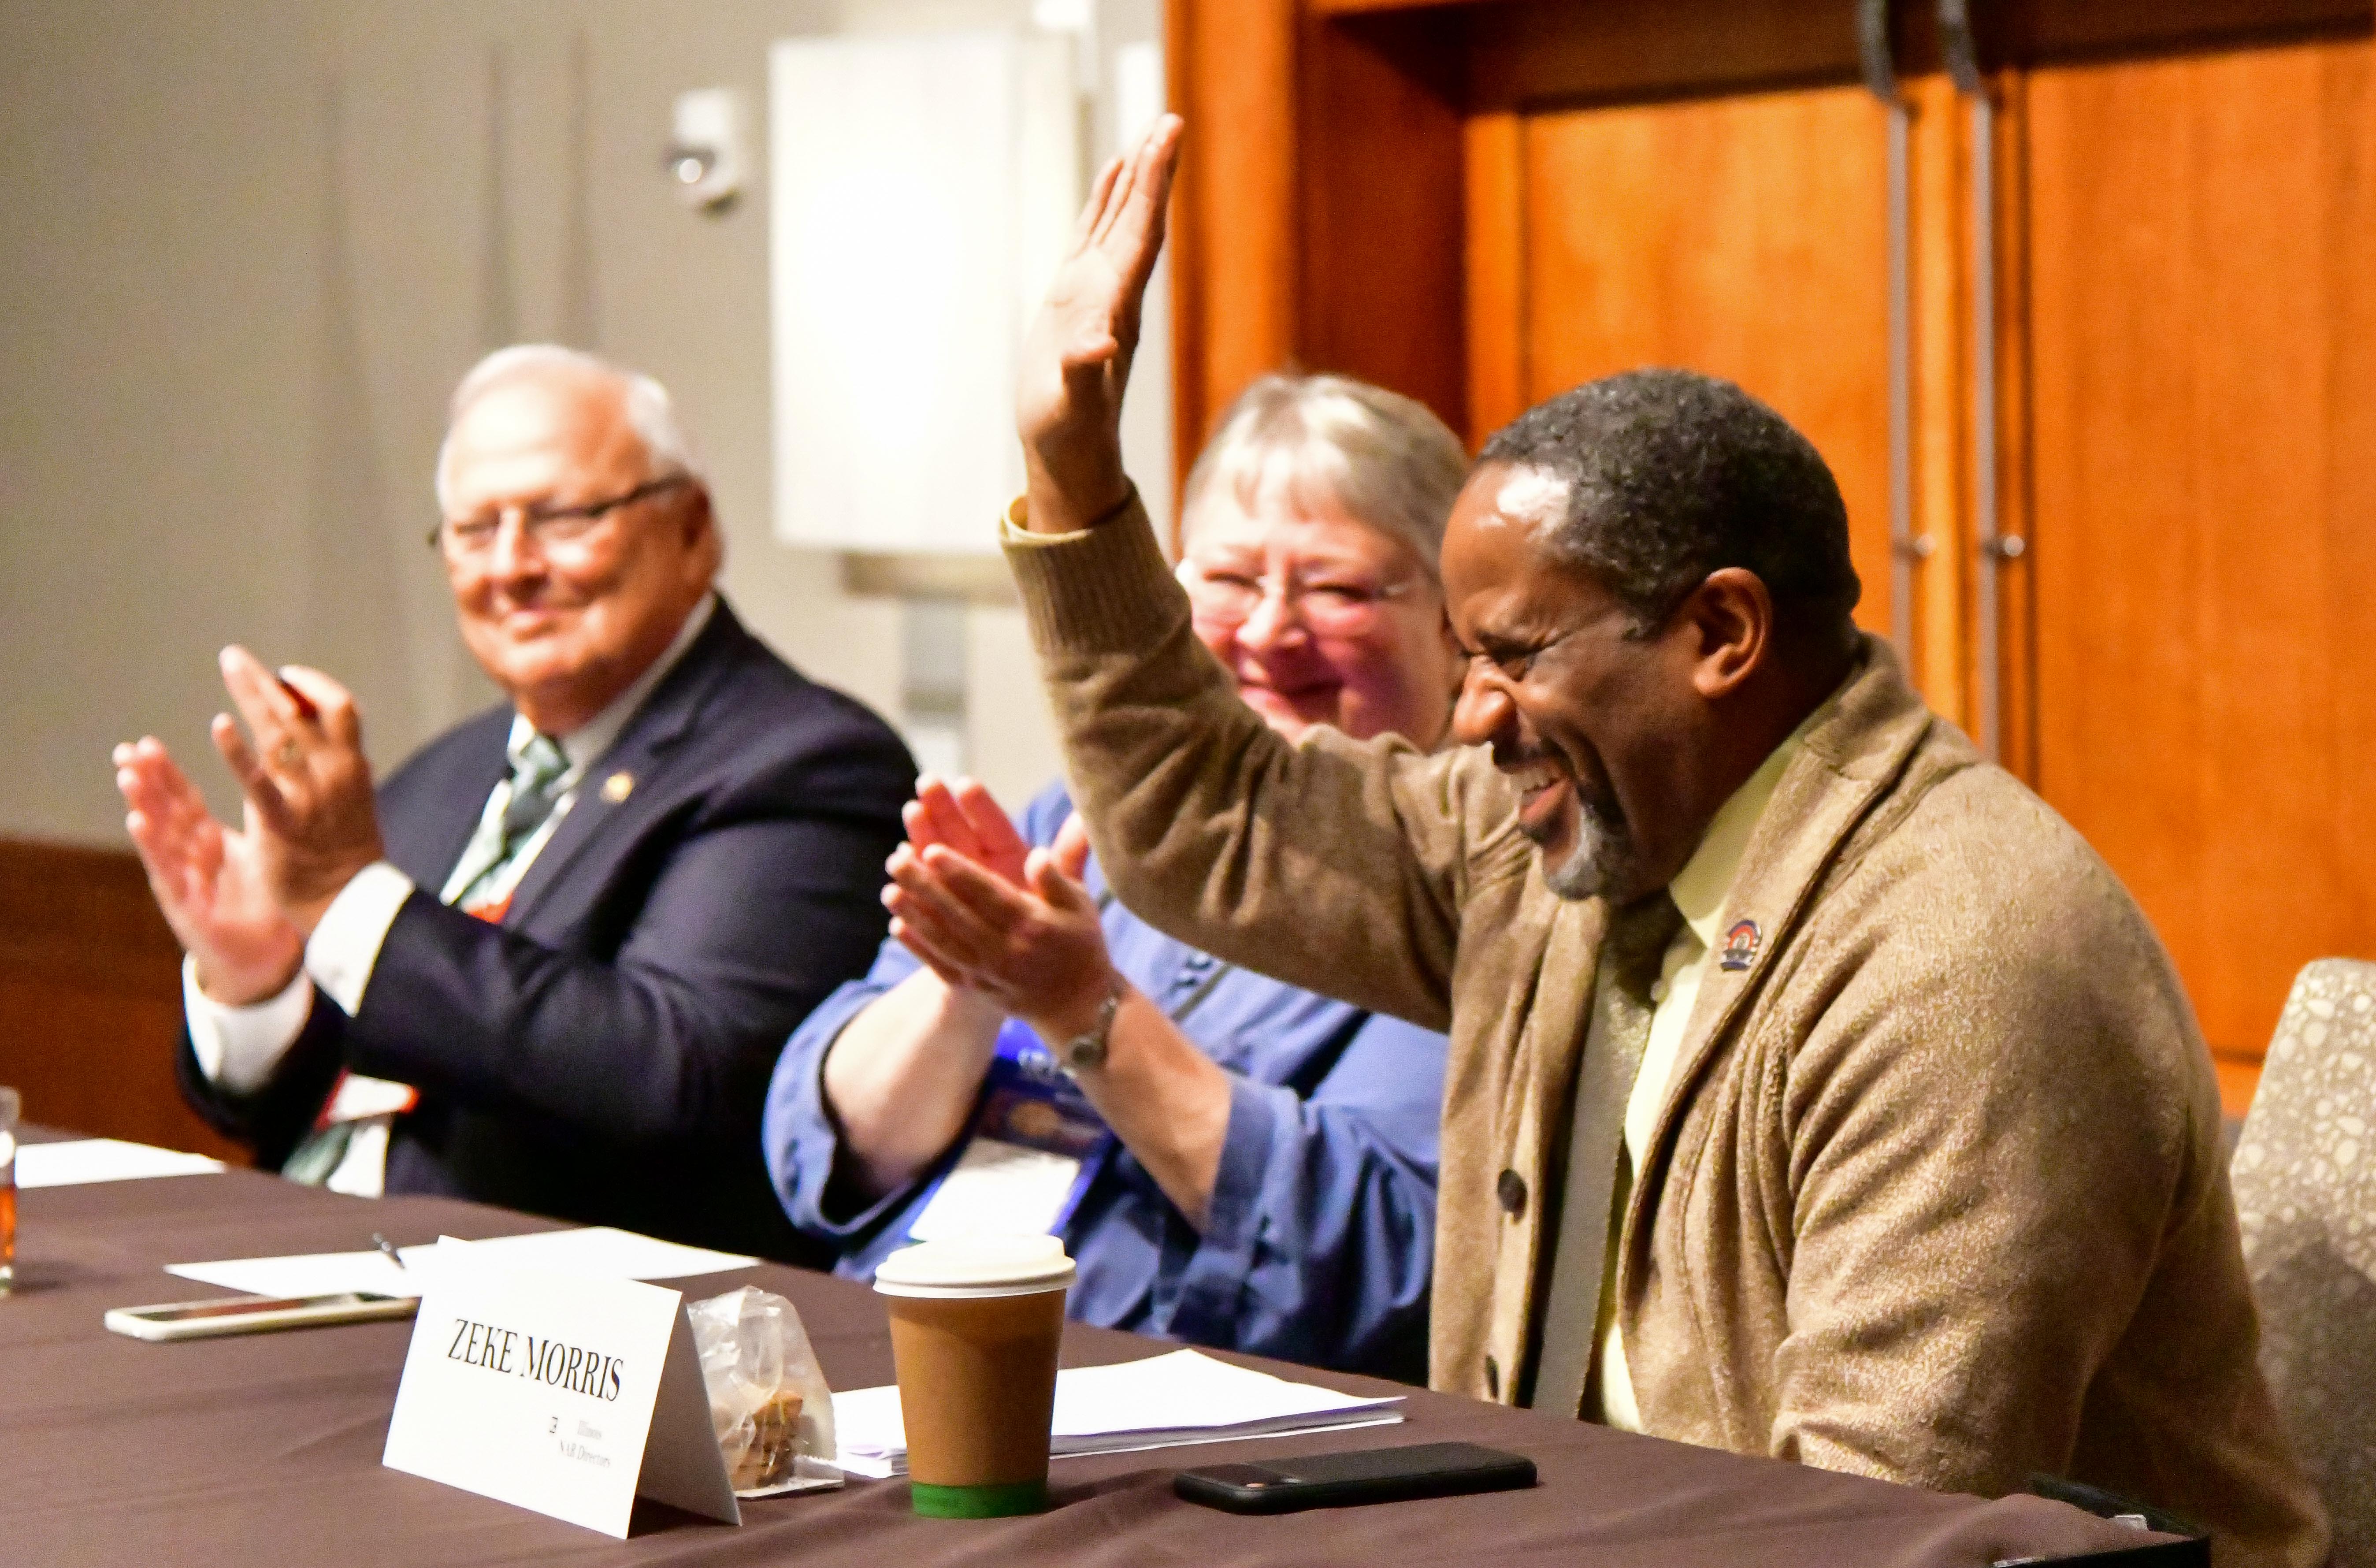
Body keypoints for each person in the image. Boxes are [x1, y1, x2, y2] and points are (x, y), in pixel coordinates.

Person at [989, 117, 2327, 1565]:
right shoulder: (1571, 832)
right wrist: (1074, 476)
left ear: (1722, 634)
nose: (1471, 716)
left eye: (1511, 655)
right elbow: (1219, 817)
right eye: (1459, 654)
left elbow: (1875, 1519)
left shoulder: (1963, 961)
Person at [114, 345, 914, 1260]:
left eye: (562, 517)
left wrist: (350, 899)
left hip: (560, 1339)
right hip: (308, 1274)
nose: (512, 566)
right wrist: (258, 982)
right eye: (474, 529)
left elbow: (680, 1082)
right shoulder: (444, 776)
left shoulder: (802, 763)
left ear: (693, 530)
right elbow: (313, 1099)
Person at [763, 373, 1461, 1381]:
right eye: (1227, 580)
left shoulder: (1470, 886)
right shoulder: (1091, 814)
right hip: (902, 1358)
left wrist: (1082, 1006)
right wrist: (969, 977)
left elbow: (1378, 1259)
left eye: (1337, 589)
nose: (1268, 630)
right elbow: (827, 1154)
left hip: (1202, 1426)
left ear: (1453, 626)